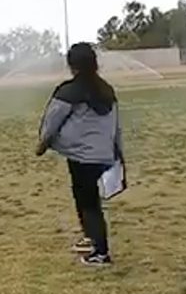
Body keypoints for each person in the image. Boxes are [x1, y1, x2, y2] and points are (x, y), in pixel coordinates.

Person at [36, 42, 123, 267]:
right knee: (84, 197)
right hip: (103, 154)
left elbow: (52, 121)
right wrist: (117, 152)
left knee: (89, 203)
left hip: (83, 156)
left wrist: (43, 143)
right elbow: (116, 125)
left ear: (71, 64)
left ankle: (101, 254)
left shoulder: (69, 91)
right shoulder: (106, 89)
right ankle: (90, 238)